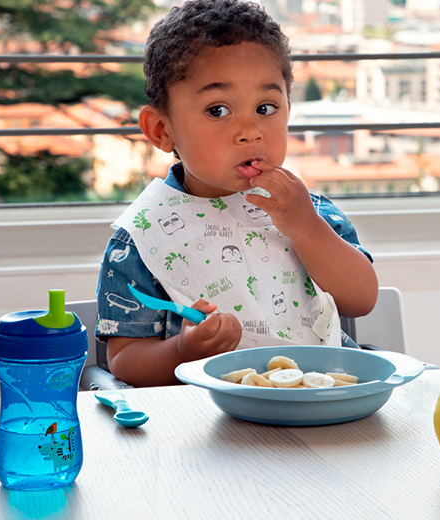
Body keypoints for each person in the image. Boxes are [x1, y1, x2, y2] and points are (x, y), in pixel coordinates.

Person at [95, 0, 378, 386]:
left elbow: (360, 300)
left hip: (322, 404)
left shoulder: (306, 210)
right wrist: (185, 350)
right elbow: (125, 360)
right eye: (218, 111)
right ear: (162, 129)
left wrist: (308, 229)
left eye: (266, 107)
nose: (250, 131)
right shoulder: (141, 239)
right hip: (212, 426)